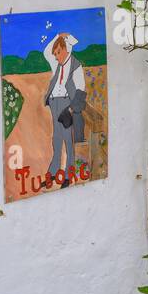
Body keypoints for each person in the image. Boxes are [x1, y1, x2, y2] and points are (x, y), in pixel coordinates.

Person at [43, 32, 87, 182]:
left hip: (66, 104)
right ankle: (54, 172)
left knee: (68, 140)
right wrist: (57, 35)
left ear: (65, 48)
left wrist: (71, 109)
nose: (56, 56)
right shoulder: (56, 64)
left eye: (58, 52)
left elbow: (81, 89)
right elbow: (46, 52)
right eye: (55, 54)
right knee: (56, 138)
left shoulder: (76, 66)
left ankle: (68, 175)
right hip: (54, 102)